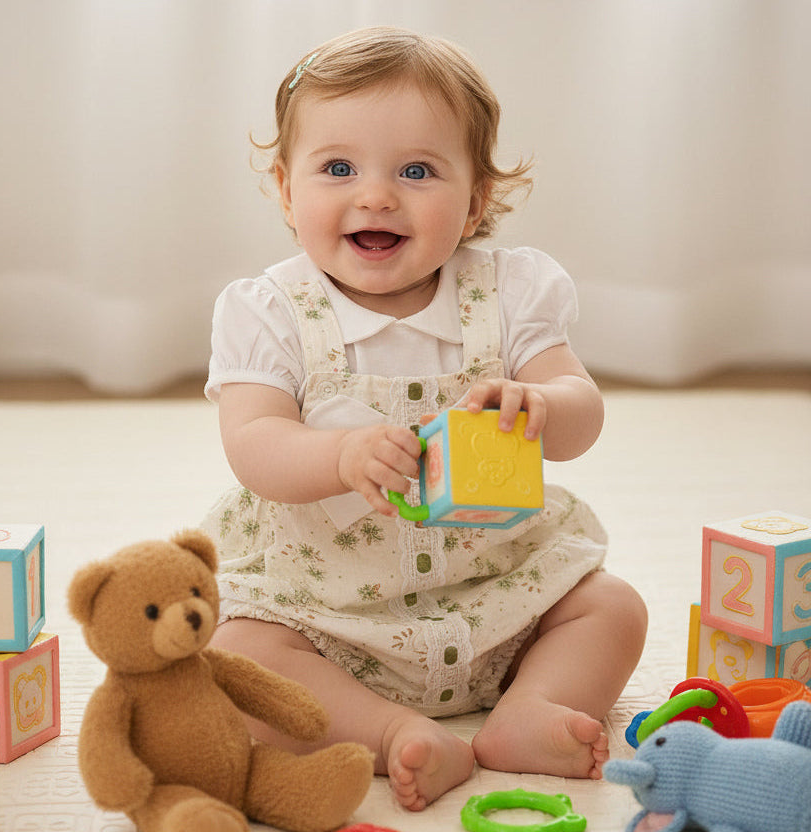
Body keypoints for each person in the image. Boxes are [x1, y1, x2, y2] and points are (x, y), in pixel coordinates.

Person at [202, 26, 647, 812]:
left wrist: (542, 406)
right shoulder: (270, 310)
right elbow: (254, 446)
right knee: (232, 660)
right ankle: (388, 731)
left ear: (476, 201)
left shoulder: (509, 292)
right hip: (329, 612)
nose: (375, 195)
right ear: (284, 187)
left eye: (416, 170)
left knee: (611, 607)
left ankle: (528, 709)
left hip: (500, 590)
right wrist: (337, 456)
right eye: (337, 168)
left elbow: (583, 414)